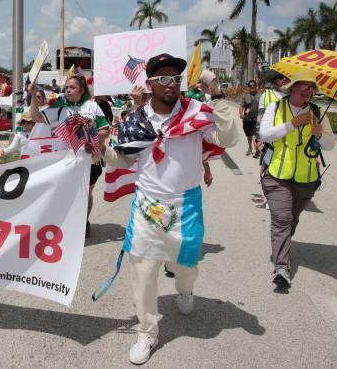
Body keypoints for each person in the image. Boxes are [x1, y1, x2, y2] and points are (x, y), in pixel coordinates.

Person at [101, 54, 237, 365]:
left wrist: (216, 94)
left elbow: (228, 138)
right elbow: (125, 160)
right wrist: (102, 148)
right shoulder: (136, 120)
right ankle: (148, 330)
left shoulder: (195, 112)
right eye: (163, 78)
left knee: (186, 267)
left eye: (175, 78)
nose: (171, 84)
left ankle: (185, 289)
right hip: (147, 205)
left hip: (185, 205)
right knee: (144, 271)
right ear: (148, 84)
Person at [259, 70, 335, 289]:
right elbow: (264, 135)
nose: (308, 90)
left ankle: (282, 242)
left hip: (307, 178)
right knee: (282, 219)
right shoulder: (276, 107)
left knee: (291, 219)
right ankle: (282, 267)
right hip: (276, 175)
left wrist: (319, 134)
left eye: (312, 87)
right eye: (304, 85)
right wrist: (294, 123)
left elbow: (330, 145)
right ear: (292, 87)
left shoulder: (318, 112)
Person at [29, 75, 109, 238]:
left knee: (86, 194)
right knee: (66, 194)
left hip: (90, 159)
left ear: (82, 89)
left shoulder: (92, 106)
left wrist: (89, 136)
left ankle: (83, 222)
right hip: (66, 161)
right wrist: (32, 97)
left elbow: (105, 130)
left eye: (72, 87)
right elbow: (36, 117)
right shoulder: (60, 105)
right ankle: (66, 223)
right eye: (66, 88)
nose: (68, 90)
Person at [255, 71, 289, 156]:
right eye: (280, 77)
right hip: (270, 140)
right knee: (267, 166)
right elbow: (260, 118)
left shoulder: (293, 96)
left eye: (286, 77)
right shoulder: (266, 96)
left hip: (289, 139)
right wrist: (258, 138)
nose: (284, 79)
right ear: (274, 80)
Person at [240, 80, 261, 156]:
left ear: (256, 86)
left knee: (256, 135)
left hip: (257, 119)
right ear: (248, 87)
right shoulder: (245, 96)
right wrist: (241, 114)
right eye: (250, 85)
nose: (252, 86)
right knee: (249, 136)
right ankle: (250, 147)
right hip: (247, 119)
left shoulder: (261, 96)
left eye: (253, 85)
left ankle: (257, 150)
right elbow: (242, 106)